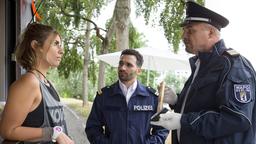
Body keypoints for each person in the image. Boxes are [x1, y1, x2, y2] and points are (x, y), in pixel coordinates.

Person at [151, 1, 256, 144]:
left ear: (211, 33)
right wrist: (177, 101)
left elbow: (236, 118)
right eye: (184, 31)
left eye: (190, 30)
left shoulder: (234, 65)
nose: (183, 36)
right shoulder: (200, 64)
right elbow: (201, 106)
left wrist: (183, 121)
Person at [0, 23, 74, 144]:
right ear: (35, 45)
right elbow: (7, 131)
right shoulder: (29, 82)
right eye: (56, 44)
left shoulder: (48, 83)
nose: (62, 51)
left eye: (61, 45)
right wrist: (52, 133)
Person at [85, 49, 168, 143]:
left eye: (129, 65)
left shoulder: (152, 98)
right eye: (121, 63)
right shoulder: (104, 96)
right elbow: (92, 128)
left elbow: (162, 130)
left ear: (139, 70)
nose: (122, 68)